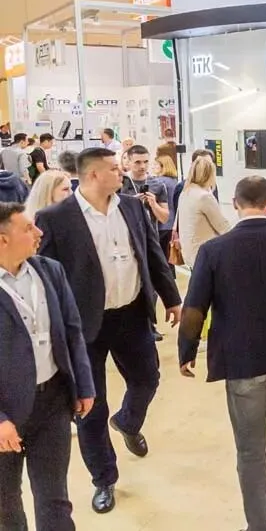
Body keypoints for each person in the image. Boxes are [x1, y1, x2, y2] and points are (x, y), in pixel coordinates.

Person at [35, 147, 182, 514]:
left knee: (148, 379)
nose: (122, 173)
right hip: (83, 324)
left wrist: (171, 298)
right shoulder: (56, 218)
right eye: (115, 168)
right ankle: (104, 478)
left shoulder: (131, 207)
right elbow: (45, 276)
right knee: (90, 405)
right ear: (93, 175)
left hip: (131, 314)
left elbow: (152, 254)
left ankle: (128, 421)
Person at [178, 176, 266, 531]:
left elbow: (194, 308)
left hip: (242, 359)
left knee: (250, 448)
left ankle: (259, 524)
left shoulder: (214, 250)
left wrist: (187, 349)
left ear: (235, 204)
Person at [0, 202, 95, 531]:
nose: (39, 233)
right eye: (28, 228)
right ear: (3, 240)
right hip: (6, 412)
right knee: (5, 502)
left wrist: (83, 385)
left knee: (54, 499)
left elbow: (72, 330)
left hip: (52, 402)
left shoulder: (50, 271)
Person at [177, 156, 231, 268]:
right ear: (210, 174)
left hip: (190, 253)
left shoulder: (185, 193)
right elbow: (223, 226)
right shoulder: (204, 197)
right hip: (205, 255)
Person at [120, 145, 170, 231]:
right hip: (126, 233)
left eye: (146, 162)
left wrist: (154, 204)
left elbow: (164, 219)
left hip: (150, 235)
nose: (143, 166)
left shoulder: (158, 184)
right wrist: (132, 202)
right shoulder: (120, 182)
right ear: (128, 162)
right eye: (137, 162)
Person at [151, 155, 179, 258]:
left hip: (161, 223)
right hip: (172, 222)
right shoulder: (175, 182)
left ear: (163, 166)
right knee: (169, 256)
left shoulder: (159, 182)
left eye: (156, 165)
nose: (153, 167)